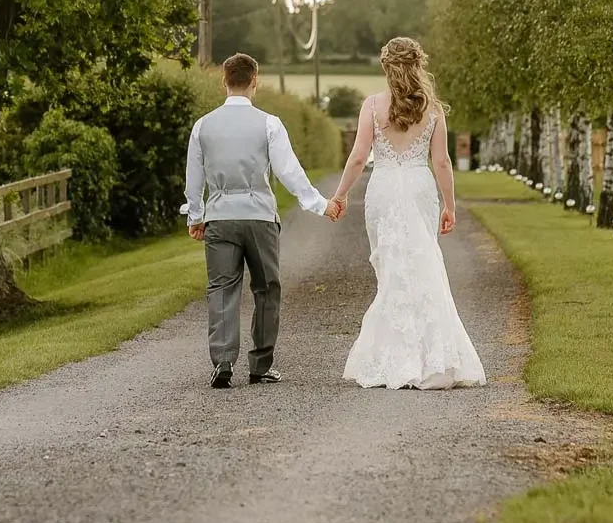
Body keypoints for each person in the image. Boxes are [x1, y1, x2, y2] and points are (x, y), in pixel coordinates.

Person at [325, 37, 486, 390]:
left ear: (386, 67)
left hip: (382, 189)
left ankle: (394, 356)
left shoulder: (372, 106)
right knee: (422, 261)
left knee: (391, 264)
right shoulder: (432, 110)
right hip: (418, 186)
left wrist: (340, 194)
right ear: (417, 65)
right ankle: (429, 357)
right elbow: (441, 162)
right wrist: (450, 205)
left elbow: (357, 157)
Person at [184, 53, 330, 389]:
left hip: (220, 217)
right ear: (255, 81)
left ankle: (222, 362)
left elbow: (194, 177)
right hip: (260, 217)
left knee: (221, 288)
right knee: (266, 288)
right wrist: (319, 204)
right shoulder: (269, 123)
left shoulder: (203, 125)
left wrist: (195, 215)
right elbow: (289, 170)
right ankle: (260, 365)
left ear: (224, 81)